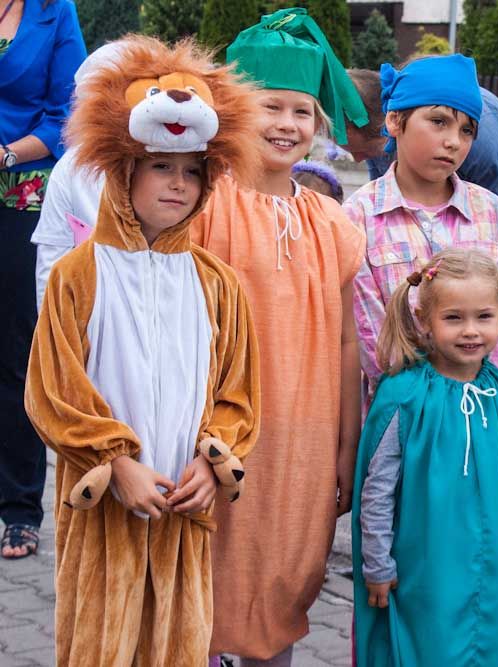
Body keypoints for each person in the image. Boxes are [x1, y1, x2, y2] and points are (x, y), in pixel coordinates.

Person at [23, 36, 262, 665]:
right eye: (162, 166)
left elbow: (237, 392)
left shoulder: (218, 283)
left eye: (192, 171)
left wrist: (215, 462)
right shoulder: (80, 274)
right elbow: (53, 388)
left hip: (184, 506)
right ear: (125, 169)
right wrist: (116, 461)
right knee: (101, 645)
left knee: (176, 644)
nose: (178, 184)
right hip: (105, 507)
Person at [189, 9, 368, 665]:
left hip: (303, 443)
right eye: (271, 106)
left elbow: (347, 342)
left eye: (301, 111)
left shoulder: (330, 222)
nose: (287, 125)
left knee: (286, 576)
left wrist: (347, 447)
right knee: (205, 582)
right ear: (234, 109)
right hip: (220, 435)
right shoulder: (205, 204)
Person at [352, 247, 498, 666]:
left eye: (483, 317)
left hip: (492, 581)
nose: (470, 331)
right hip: (425, 580)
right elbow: (378, 490)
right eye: (453, 318)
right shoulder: (405, 396)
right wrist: (378, 565)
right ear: (424, 321)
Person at [343, 67, 498, 405]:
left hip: (480, 410)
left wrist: (484, 395)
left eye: (467, 130)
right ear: (394, 122)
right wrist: (428, 405)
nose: (453, 141)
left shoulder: (492, 211)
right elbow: (372, 337)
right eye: (439, 122)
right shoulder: (359, 216)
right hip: (404, 416)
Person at [0, 0, 85, 560]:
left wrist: (6, 153)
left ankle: (19, 508)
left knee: (16, 352)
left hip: (20, 194)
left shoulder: (56, 11)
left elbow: (67, 115)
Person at [32, 41, 127, 311]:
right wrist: (52, 332)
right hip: (88, 311)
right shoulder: (70, 168)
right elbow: (52, 261)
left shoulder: (168, 163)